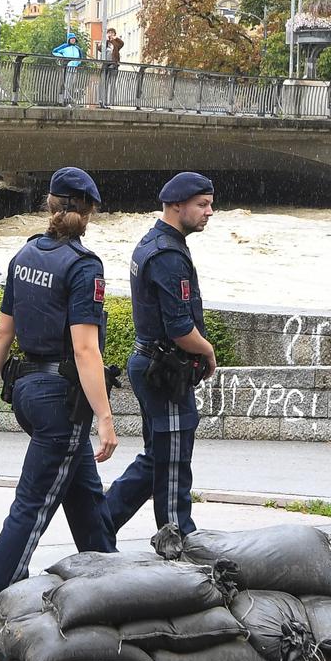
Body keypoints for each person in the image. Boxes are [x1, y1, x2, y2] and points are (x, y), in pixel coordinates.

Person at [0, 167, 118, 625]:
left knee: (85, 498)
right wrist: (106, 416)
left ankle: (113, 588)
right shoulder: (83, 265)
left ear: (50, 205)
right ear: (88, 211)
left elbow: (2, 333)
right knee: (31, 508)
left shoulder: (25, 254)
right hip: (61, 402)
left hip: (28, 392)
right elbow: (85, 347)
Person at [103, 172, 217, 536]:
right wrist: (208, 351)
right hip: (164, 369)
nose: (209, 212)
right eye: (202, 205)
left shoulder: (154, 242)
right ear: (176, 206)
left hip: (152, 362)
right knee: (172, 462)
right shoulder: (168, 255)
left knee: (158, 458)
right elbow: (180, 328)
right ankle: (177, 536)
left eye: (210, 204)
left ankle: (100, 523)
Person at [51, 32, 82, 106]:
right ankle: (64, 99)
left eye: (74, 39)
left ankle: (69, 99)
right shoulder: (64, 46)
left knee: (72, 83)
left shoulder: (77, 48)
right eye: (71, 39)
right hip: (67, 66)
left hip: (74, 67)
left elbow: (81, 58)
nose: (73, 40)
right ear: (69, 39)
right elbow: (54, 51)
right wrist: (62, 57)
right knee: (66, 83)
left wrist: (77, 63)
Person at [102, 28, 124, 106]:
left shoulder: (116, 43)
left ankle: (111, 101)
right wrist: (106, 39)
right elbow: (100, 48)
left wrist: (115, 39)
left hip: (114, 65)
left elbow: (121, 44)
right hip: (106, 66)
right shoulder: (106, 42)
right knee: (105, 83)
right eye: (109, 32)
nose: (111, 34)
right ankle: (104, 101)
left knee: (113, 83)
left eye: (112, 33)